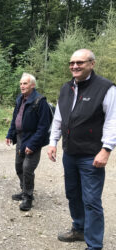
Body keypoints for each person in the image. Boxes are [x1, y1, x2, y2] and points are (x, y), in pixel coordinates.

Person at [47, 49, 116, 250]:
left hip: (91, 155)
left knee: (92, 200)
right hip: (70, 153)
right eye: (72, 63)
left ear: (92, 64)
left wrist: (106, 149)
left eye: (80, 62)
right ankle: (79, 228)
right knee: (73, 194)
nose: (75, 66)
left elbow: (113, 121)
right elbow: (59, 116)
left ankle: (94, 245)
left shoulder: (106, 88)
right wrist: (53, 141)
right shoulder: (66, 88)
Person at [5, 73, 52, 211]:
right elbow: (15, 118)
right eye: (21, 84)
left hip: (32, 140)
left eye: (25, 83)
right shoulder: (20, 99)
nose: (22, 86)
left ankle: (28, 197)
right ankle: (24, 189)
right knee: (19, 167)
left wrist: (32, 144)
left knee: (27, 168)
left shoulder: (40, 101)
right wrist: (10, 134)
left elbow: (43, 127)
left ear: (32, 85)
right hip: (20, 138)